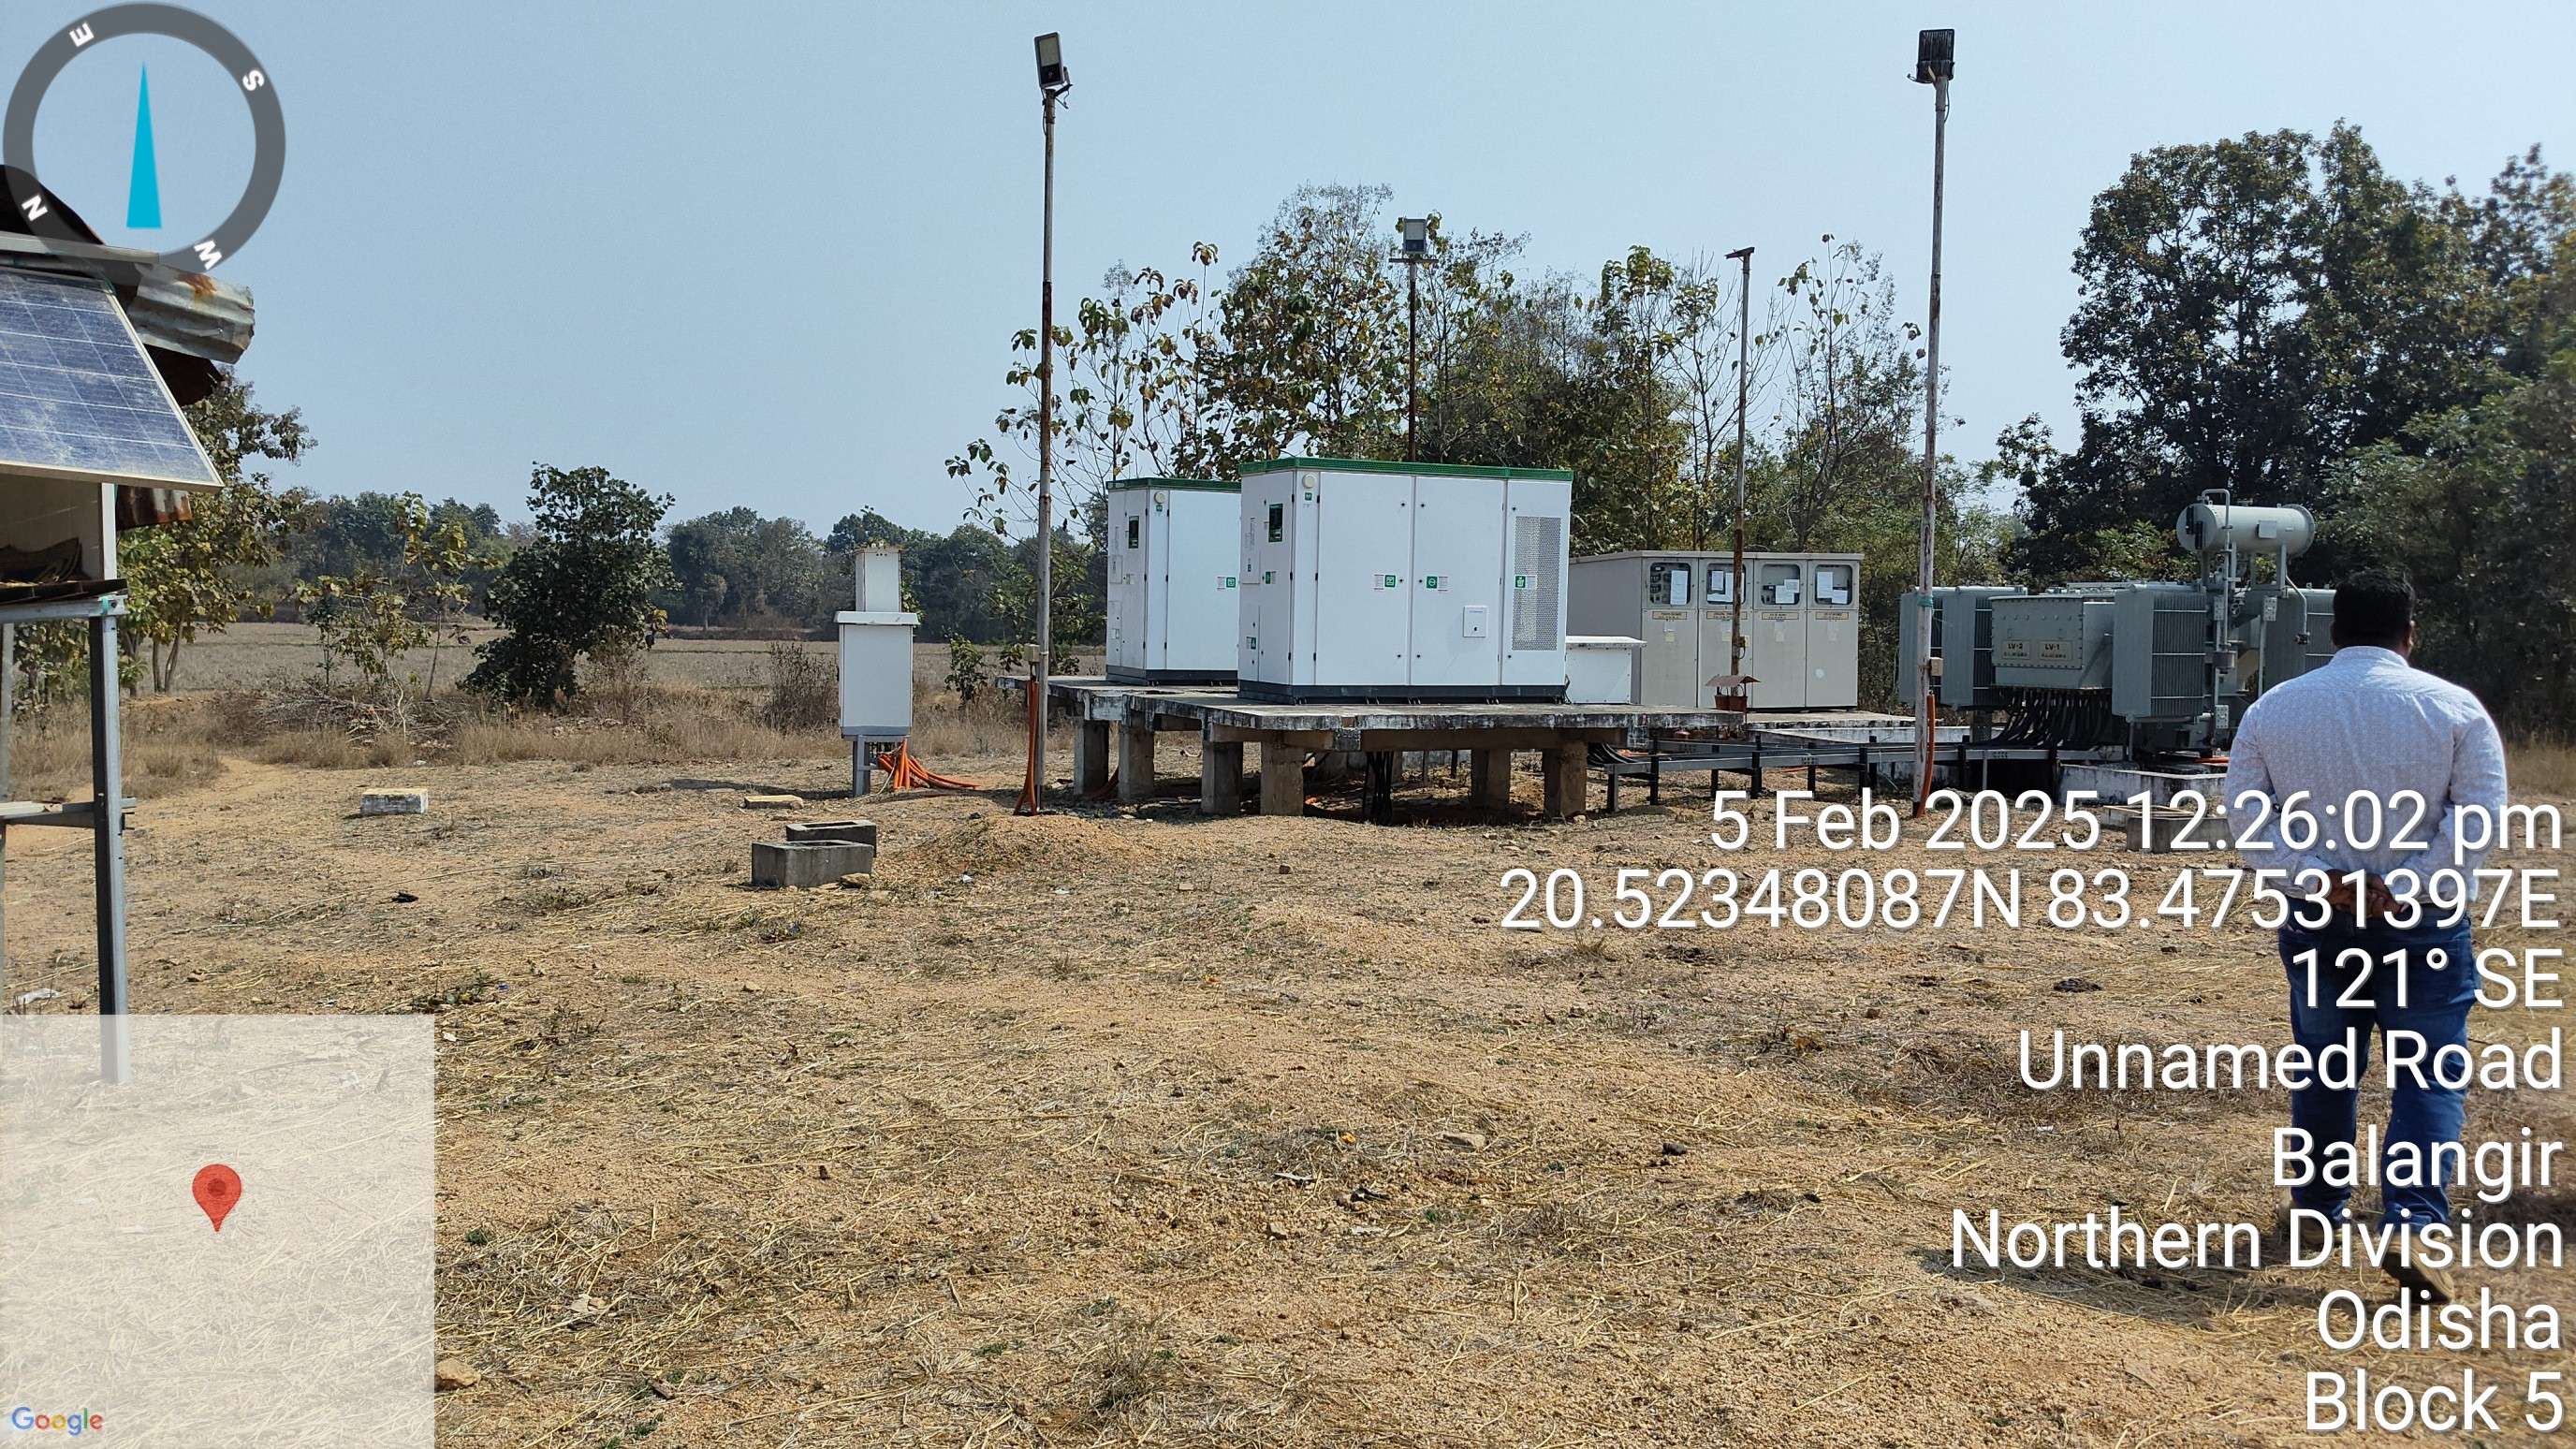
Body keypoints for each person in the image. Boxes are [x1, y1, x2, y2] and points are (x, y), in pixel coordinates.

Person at [2221, 569, 2509, 1303]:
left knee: (2325, 1065)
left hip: (2320, 923)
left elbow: (2249, 817)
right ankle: (2412, 1224)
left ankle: (2318, 1209)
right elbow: (2477, 817)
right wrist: (2405, 884)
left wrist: (2320, 879)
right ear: (2411, 631)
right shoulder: (2456, 709)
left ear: (2333, 630)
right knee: (2428, 1075)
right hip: (2424, 925)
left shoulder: (2274, 709)